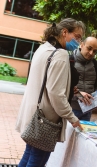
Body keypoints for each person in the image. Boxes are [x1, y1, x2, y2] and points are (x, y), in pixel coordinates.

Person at [15, 18, 86, 167]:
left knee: (29, 155)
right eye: (77, 36)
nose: (79, 42)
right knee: (37, 161)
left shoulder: (44, 48)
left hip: (34, 115)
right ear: (65, 32)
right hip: (45, 120)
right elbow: (56, 94)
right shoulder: (60, 55)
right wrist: (72, 117)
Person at [70, 36, 97, 121]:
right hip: (70, 109)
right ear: (81, 45)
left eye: (94, 51)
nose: (91, 53)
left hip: (87, 111)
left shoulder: (96, 65)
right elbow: (63, 86)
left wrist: (96, 98)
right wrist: (79, 95)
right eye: (89, 48)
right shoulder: (69, 61)